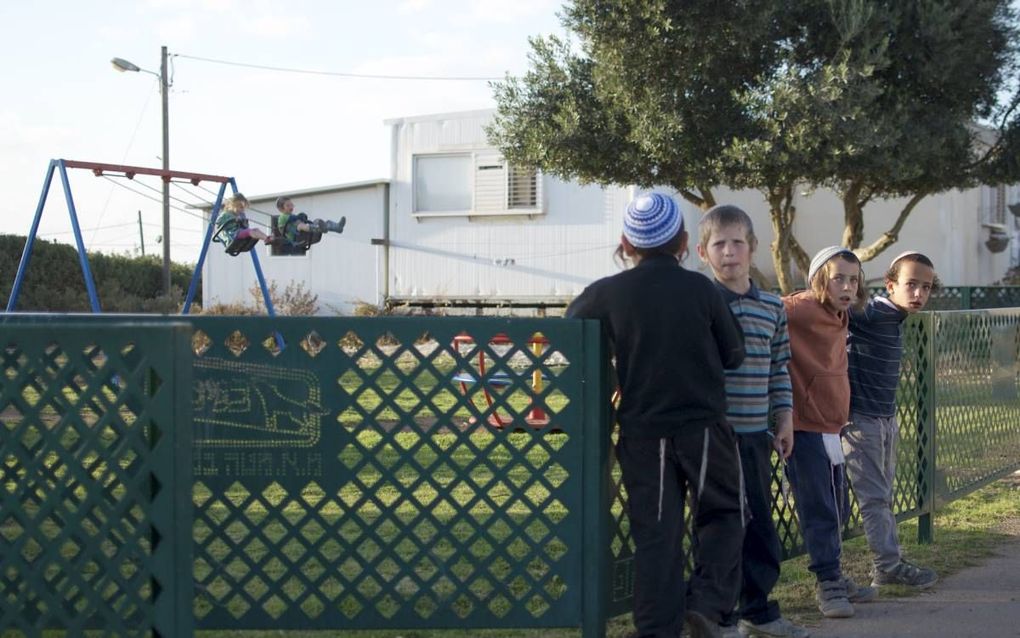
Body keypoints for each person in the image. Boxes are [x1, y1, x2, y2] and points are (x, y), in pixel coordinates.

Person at [566, 192, 746, 638]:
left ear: (627, 243)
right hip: (704, 427)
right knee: (724, 513)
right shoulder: (702, 289)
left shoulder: (606, 294)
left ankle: (656, 628)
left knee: (656, 532)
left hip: (644, 433)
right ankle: (705, 604)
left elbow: (568, 333)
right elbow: (735, 354)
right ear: (685, 242)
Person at [695, 206, 809, 638]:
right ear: (704, 253)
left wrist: (784, 416)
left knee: (761, 525)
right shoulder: (700, 306)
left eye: (737, 242)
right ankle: (718, 617)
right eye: (719, 244)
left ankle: (758, 613)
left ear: (753, 248)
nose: (729, 253)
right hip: (711, 440)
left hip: (755, 438)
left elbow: (779, 366)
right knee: (719, 529)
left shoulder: (771, 308)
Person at [782, 246, 876, 619]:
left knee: (837, 504)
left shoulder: (841, 314)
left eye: (854, 279)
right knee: (819, 506)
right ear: (819, 279)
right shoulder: (800, 307)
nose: (848, 286)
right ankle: (827, 583)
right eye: (839, 277)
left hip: (831, 426)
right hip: (804, 426)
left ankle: (836, 572)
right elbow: (762, 309)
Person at [844, 251, 940, 589]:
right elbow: (837, 306)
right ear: (890, 285)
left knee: (883, 495)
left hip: (885, 418)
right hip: (860, 422)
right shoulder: (874, 313)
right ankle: (887, 566)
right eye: (911, 284)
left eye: (926, 287)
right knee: (874, 498)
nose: (919, 294)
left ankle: (888, 563)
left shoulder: (895, 318)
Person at [274, 196, 346, 253]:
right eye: (288, 205)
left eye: (291, 205)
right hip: (295, 236)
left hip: (300, 233)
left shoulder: (291, 216)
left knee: (318, 221)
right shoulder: (282, 217)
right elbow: (291, 219)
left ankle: (337, 227)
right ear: (281, 209)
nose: (291, 207)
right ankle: (318, 228)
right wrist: (299, 217)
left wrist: (301, 218)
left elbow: (294, 218)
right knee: (300, 225)